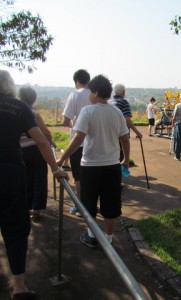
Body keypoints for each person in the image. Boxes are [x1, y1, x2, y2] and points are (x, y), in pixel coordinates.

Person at [0, 70, 68, 300]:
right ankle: (19, 286)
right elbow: (40, 139)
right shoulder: (20, 107)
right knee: (16, 228)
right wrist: (56, 168)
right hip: (11, 172)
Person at [57, 74, 130, 248]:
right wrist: (126, 160)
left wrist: (62, 158)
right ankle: (109, 238)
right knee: (110, 205)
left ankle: (92, 236)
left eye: (90, 91)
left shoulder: (88, 111)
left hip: (90, 166)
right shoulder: (117, 112)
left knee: (89, 203)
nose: (89, 94)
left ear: (95, 92)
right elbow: (125, 139)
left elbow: (78, 138)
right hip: (112, 166)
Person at [19, 86, 57, 219]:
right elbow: (45, 132)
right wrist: (51, 142)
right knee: (39, 177)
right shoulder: (34, 113)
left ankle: (25, 206)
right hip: (35, 149)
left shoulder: (15, 111)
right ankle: (36, 208)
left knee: (26, 178)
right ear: (33, 99)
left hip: (20, 150)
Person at [62, 69, 90, 216]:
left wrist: (74, 125)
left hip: (78, 142)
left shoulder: (75, 94)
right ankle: (90, 204)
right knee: (90, 175)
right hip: (93, 143)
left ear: (77, 81)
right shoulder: (95, 94)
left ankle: (80, 206)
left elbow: (65, 119)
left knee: (78, 177)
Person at [109, 83, 142, 162]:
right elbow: (127, 120)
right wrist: (137, 133)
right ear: (123, 92)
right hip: (121, 133)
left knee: (112, 155)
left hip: (109, 133)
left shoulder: (109, 102)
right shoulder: (124, 102)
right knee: (121, 156)